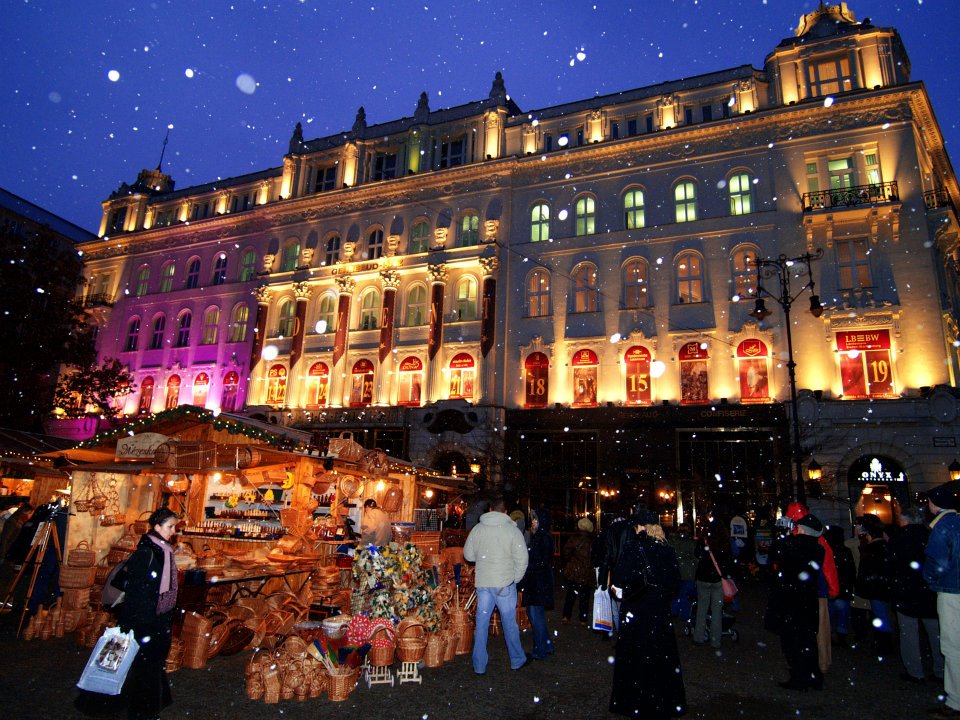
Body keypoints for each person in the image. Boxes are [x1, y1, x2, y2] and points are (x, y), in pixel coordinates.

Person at [609, 509, 686, 718]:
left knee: (636, 657)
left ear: (641, 527)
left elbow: (617, 581)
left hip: (637, 611)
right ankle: (663, 700)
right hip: (659, 614)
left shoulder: (633, 549)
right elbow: (675, 584)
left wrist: (622, 590)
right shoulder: (667, 550)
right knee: (661, 657)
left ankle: (636, 701)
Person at [117, 507, 179, 720]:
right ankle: (142, 710)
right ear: (157, 527)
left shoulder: (163, 550)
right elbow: (137, 591)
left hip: (156, 616)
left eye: (174, 527)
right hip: (146, 618)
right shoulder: (148, 552)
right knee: (146, 664)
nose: (173, 531)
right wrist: (141, 620)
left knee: (152, 663)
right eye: (170, 527)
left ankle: (150, 704)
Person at [462, 495, 530, 673]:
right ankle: (517, 659)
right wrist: (515, 578)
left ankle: (479, 665)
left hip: (484, 583)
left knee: (482, 623)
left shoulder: (478, 529)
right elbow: (522, 559)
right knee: (509, 624)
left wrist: (484, 558)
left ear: (490, 510)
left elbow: (468, 555)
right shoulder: (512, 531)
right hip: (504, 584)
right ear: (505, 512)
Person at [766, 513, 826, 691]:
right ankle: (813, 675)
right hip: (807, 598)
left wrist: (783, 535)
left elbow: (774, 555)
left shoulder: (791, 545)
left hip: (789, 599)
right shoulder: (817, 549)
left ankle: (799, 676)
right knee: (807, 640)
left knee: (792, 641)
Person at [888, 505, 942, 683]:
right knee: (935, 632)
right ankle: (940, 670)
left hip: (907, 591)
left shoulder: (900, 538)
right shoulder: (930, 535)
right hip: (929, 591)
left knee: (909, 632)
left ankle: (915, 671)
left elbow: (891, 563)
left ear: (904, 520)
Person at [924, 482, 960, 719]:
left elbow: (936, 562)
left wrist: (928, 578)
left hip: (952, 591)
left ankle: (955, 700)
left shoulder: (943, 526)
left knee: (952, 646)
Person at [856, 513, 894, 659]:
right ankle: (884, 641)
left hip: (877, 587)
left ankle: (884, 643)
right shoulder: (882, 547)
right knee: (882, 614)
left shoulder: (873, 549)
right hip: (881, 587)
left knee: (881, 615)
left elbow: (868, 570)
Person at [693, 518, 734, 649]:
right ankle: (715, 641)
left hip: (704, 578)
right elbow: (728, 561)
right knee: (717, 611)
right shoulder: (724, 543)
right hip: (718, 579)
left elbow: (697, 554)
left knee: (702, 608)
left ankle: (699, 637)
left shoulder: (704, 541)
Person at [520, 507, 555, 659]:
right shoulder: (538, 536)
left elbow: (542, 561)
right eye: (533, 519)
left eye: (536, 520)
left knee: (535, 615)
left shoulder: (543, 537)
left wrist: (527, 566)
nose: (533, 522)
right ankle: (546, 646)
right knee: (535, 614)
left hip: (538, 582)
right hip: (536, 581)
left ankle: (540, 650)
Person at [824, 525, 856, 647]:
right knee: (842, 612)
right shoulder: (844, 550)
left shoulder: (829, 551)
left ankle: (832, 634)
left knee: (832, 612)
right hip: (842, 586)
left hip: (834, 586)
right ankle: (840, 635)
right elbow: (850, 570)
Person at [561, 517, 595, 625]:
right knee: (585, 596)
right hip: (586, 571)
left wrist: (570, 562)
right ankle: (583, 618)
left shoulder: (574, 538)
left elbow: (566, 552)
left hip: (574, 570)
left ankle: (566, 616)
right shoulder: (592, 540)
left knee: (571, 594)